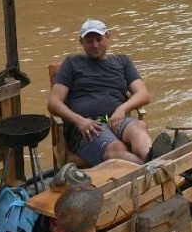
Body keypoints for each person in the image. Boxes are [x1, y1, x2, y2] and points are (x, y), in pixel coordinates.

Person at [47, 19, 172, 166]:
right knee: (116, 148)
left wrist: (121, 109)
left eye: (99, 39)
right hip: (88, 126)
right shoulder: (72, 63)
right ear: (81, 42)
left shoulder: (123, 62)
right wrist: (79, 120)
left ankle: (156, 165)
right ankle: (160, 166)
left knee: (139, 127)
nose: (95, 45)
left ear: (108, 37)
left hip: (118, 119)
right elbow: (53, 102)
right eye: (89, 41)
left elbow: (143, 95)